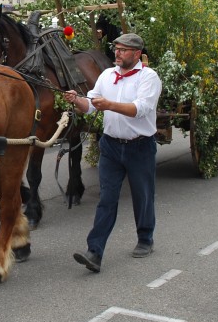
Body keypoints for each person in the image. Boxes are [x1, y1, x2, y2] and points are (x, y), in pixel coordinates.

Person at [63, 33, 162, 273]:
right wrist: (77, 100)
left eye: (123, 50)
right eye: (116, 48)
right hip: (110, 146)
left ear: (136, 54)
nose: (117, 53)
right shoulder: (107, 76)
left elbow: (140, 109)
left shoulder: (149, 77)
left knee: (143, 195)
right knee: (107, 199)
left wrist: (108, 105)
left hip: (140, 147)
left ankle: (145, 238)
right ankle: (94, 252)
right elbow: (90, 105)